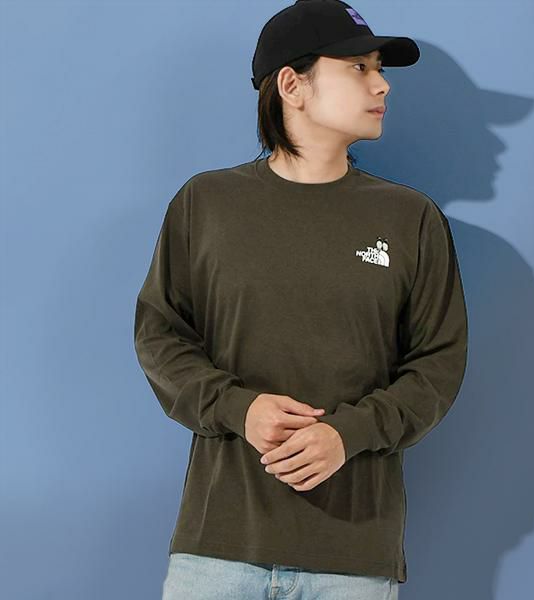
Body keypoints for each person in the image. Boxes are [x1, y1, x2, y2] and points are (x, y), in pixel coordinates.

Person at [133, 1, 469, 598]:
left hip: (353, 557)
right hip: (218, 547)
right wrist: (239, 409)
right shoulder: (205, 204)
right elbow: (160, 337)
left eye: (379, 69)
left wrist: (350, 433)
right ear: (292, 85)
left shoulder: (410, 218)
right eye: (359, 68)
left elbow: (438, 367)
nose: (382, 84)